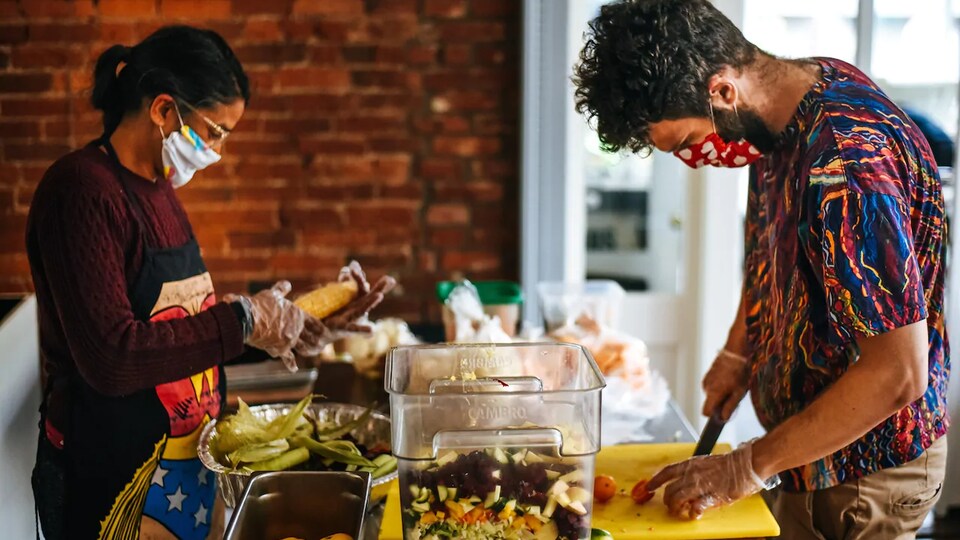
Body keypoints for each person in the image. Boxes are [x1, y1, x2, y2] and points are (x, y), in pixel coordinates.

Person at [573, 1, 949, 538]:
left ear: (723, 90)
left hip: (862, 470)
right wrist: (740, 348)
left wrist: (743, 467)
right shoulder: (782, 112)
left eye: (684, 142)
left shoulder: (846, 163)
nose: (691, 159)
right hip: (809, 454)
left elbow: (897, 373)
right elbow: (777, 255)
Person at [27, 26, 393, 540]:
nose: (218, 149)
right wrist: (243, 321)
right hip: (112, 482)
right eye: (215, 131)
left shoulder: (160, 193)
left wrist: (285, 332)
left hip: (185, 477)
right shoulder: (81, 192)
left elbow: (183, 336)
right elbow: (112, 357)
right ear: (162, 110)